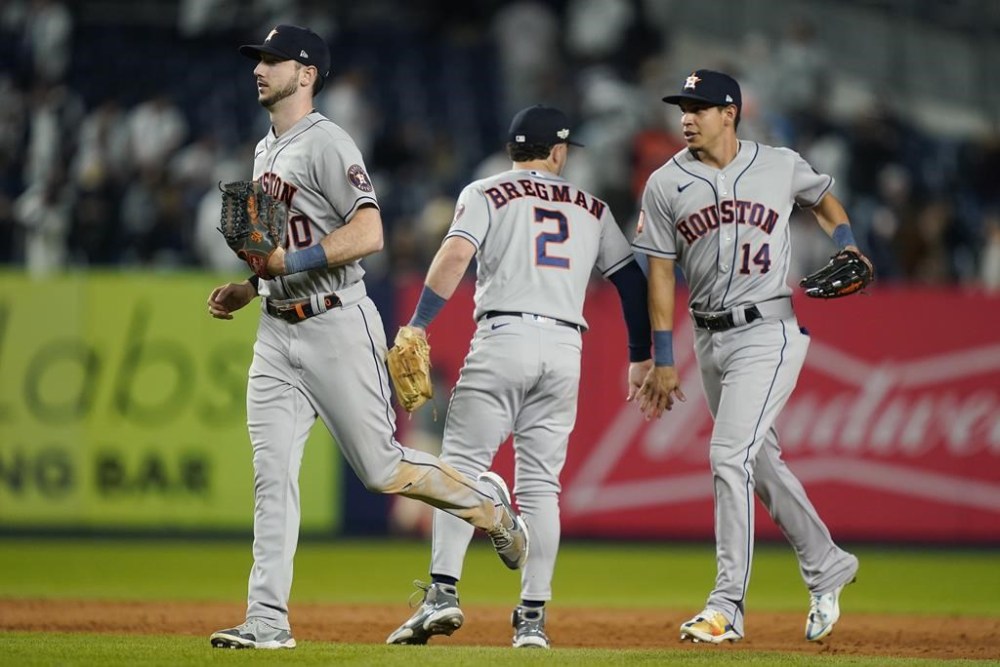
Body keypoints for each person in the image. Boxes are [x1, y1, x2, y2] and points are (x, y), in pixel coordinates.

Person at [205, 24, 528, 650]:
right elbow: (277, 251)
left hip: (334, 323)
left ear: (306, 74)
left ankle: (487, 501)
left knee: (382, 469)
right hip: (276, 330)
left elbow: (371, 231)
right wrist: (253, 285)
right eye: (258, 59)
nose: (259, 68)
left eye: (273, 60)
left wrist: (288, 269)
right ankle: (268, 620)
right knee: (273, 477)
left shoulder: (328, 141)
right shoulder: (264, 149)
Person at [385, 105, 653, 649]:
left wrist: (418, 323)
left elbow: (456, 252)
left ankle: (443, 594)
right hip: (564, 347)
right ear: (557, 152)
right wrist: (642, 354)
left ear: (512, 150)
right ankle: (531, 620)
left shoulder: (484, 192)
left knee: (458, 468)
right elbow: (629, 282)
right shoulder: (594, 208)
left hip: (503, 338)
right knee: (542, 488)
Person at [632, 70, 866, 644]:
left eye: (700, 107)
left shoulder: (779, 163)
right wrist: (664, 358)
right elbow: (660, 275)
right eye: (683, 107)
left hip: (771, 330)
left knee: (727, 455)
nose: (687, 117)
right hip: (708, 339)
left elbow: (825, 201)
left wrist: (848, 244)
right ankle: (827, 563)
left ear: (730, 113)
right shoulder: (666, 183)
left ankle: (726, 605)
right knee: (758, 463)